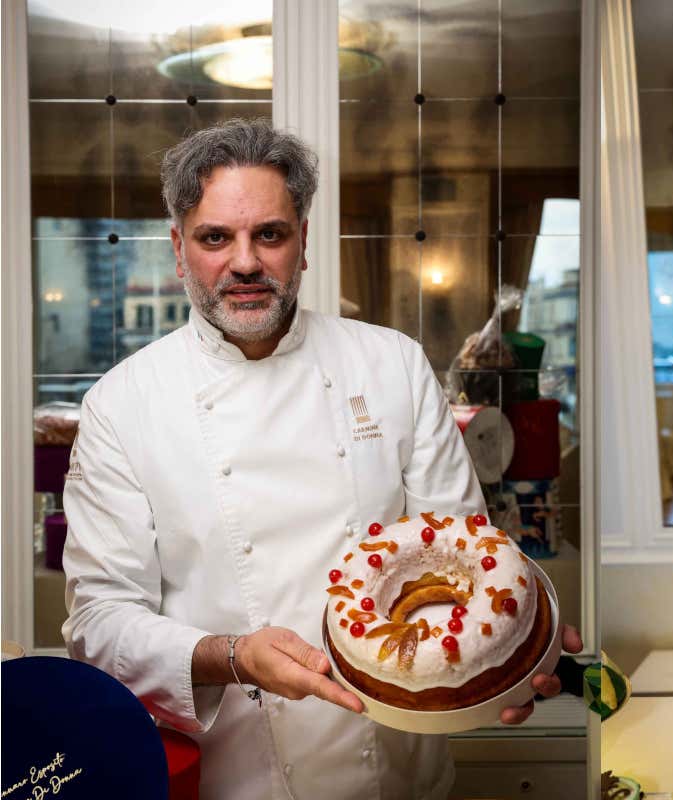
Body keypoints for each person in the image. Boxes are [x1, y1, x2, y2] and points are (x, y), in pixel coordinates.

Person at [61, 119, 580, 800]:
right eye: (215, 237)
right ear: (179, 252)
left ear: (303, 243)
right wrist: (232, 655)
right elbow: (98, 622)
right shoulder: (121, 406)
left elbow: (470, 555)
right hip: (232, 778)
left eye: (269, 234)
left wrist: (514, 660)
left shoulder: (390, 364)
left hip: (398, 774)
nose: (244, 262)